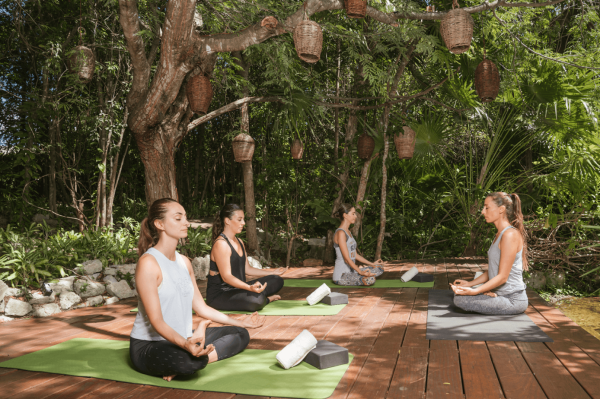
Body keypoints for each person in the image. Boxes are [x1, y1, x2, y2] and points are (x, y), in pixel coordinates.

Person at [130, 198, 265, 382]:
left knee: (240, 334)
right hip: (151, 344)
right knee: (187, 362)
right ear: (159, 224)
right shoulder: (148, 263)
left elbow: (201, 307)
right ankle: (191, 360)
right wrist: (186, 344)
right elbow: (156, 321)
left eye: (185, 217)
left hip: (185, 337)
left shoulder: (184, 262)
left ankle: (196, 358)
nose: (186, 223)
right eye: (178, 219)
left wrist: (243, 323)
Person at [451, 192, 529, 315]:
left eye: (486, 207)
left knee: (460, 299)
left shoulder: (510, 235)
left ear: (501, 209)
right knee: (459, 294)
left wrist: (475, 291)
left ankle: (493, 297)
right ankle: (493, 296)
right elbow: (493, 271)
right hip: (501, 295)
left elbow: (502, 276)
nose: (482, 211)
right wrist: (470, 284)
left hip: (513, 300)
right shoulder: (499, 234)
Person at [206, 203, 288, 312]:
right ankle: (264, 299)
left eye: (243, 219)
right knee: (256, 300)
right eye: (239, 220)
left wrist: (272, 272)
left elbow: (247, 269)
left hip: (238, 288)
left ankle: (257, 294)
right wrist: (249, 288)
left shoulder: (239, 242)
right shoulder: (221, 244)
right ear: (227, 221)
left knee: (276, 280)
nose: (243, 223)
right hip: (221, 294)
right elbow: (226, 277)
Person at [333, 203, 384, 286]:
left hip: (352, 272)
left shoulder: (348, 232)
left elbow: (355, 255)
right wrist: (360, 271)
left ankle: (360, 276)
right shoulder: (341, 233)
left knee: (379, 268)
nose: (355, 216)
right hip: (341, 275)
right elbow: (346, 259)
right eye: (353, 214)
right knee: (370, 280)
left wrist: (372, 264)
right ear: (345, 215)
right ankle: (361, 277)